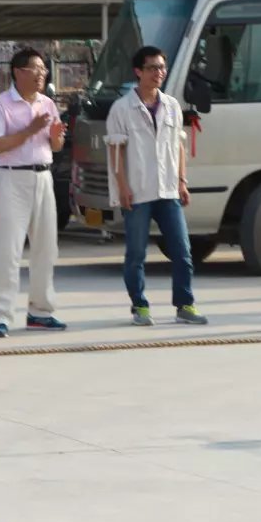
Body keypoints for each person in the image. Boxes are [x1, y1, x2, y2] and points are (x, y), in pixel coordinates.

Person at [106, 45, 208, 326]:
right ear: (138, 71)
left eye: (162, 67)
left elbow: (179, 146)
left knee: (182, 252)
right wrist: (122, 187)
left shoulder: (172, 105)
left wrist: (182, 181)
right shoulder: (122, 108)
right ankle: (140, 306)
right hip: (137, 192)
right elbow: (115, 152)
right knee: (136, 254)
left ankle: (185, 305)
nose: (158, 73)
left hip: (168, 190)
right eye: (152, 68)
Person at [0, 47, 67, 338]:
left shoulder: (47, 103)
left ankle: (40, 312)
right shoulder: (0, 105)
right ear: (18, 72)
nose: (42, 74)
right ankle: (0, 317)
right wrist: (29, 130)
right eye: (36, 69)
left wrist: (56, 137)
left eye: (44, 69)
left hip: (43, 177)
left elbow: (55, 145)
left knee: (46, 248)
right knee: (7, 251)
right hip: (11, 179)